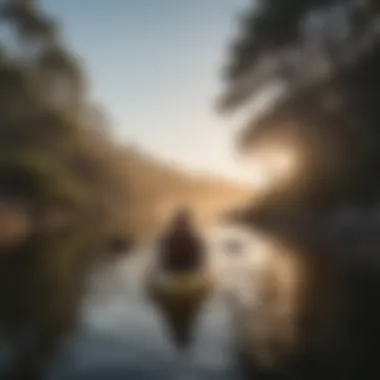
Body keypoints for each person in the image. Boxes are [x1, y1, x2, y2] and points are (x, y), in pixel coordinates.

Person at [158, 207, 205, 273]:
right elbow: (164, 261)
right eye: (179, 223)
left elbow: (198, 261)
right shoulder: (169, 240)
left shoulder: (193, 240)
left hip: (190, 273)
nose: (181, 226)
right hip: (172, 273)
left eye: (183, 223)